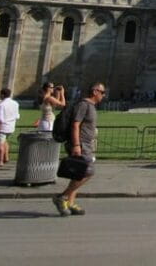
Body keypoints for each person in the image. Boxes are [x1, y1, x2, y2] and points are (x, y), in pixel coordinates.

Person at [52, 83, 105, 216]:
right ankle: (62, 197)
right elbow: (75, 125)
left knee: (78, 173)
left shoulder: (90, 106)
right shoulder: (84, 105)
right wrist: (76, 145)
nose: (103, 95)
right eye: (102, 92)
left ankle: (70, 203)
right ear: (95, 92)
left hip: (85, 144)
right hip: (80, 145)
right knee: (89, 171)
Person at [0, 88, 20, 167]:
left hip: (3, 127)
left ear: (2, 95)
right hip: (11, 126)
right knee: (5, 141)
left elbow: (0, 119)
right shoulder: (15, 103)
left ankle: (0, 161)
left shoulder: (1, 105)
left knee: (0, 144)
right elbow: (17, 116)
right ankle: (6, 157)